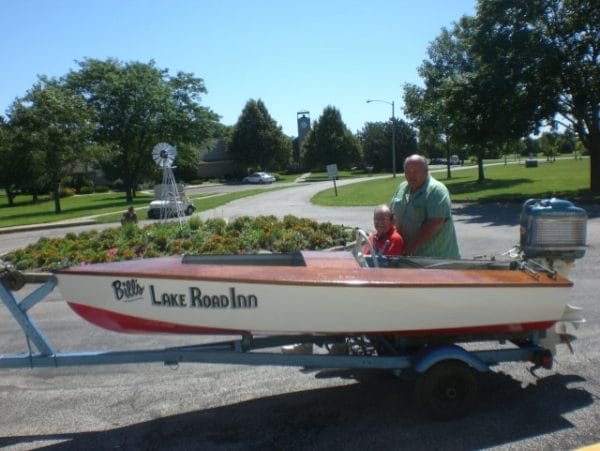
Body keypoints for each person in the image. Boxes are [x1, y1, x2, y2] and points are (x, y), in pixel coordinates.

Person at [390, 154, 460, 259]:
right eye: (407, 171)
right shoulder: (402, 187)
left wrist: (411, 246)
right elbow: (391, 215)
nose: (411, 175)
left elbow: (435, 222)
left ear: (426, 171)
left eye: (415, 171)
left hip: (437, 260)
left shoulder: (436, 190)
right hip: (408, 258)